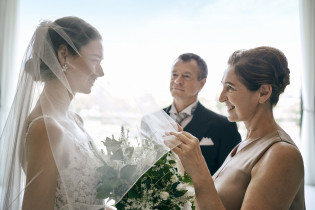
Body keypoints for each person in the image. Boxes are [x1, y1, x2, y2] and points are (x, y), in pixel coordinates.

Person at [168, 47, 305, 209]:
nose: (221, 97)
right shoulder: (245, 144)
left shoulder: (282, 153)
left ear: (263, 93)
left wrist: (199, 170)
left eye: (230, 88)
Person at [0, 16, 115, 210]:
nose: (100, 72)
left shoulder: (75, 120)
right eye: (95, 60)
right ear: (63, 55)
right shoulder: (46, 128)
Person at [164, 53, 241, 174]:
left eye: (186, 76)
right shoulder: (150, 120)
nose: (178, 81)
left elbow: (230, 176)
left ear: (202, 83)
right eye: (174, 75)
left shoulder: (224, 126)